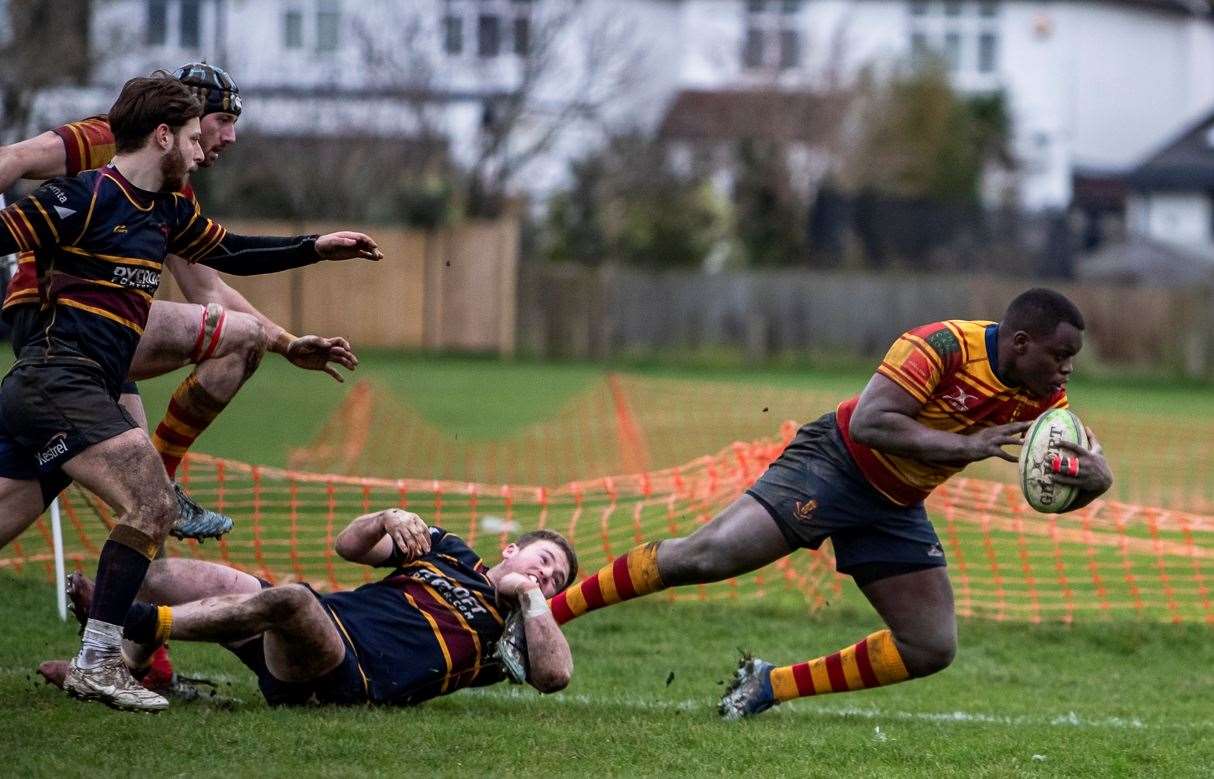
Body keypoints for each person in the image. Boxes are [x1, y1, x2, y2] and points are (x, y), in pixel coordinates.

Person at [533, 288, 1113, 719]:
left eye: (1072, 359)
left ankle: (767, 685)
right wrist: (968, 445)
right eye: (1061, 354)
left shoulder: (1045, 400)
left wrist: (1095, 478)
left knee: (930, 646)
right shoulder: (940, 344)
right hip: (834, 464)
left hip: (895, 503)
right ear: (1020, 344)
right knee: (706, 557)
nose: (1068, 369)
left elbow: (1053, 489)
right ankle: (541, 617)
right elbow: (869, 422)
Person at [0, 73, 382, 712]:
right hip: (53, 378)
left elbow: (230, 253)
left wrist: (317, 247)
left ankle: (105, 653)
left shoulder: (170, 211)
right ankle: (99, 661)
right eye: (195, 135)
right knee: (151, 505)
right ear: (162, 135)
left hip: (75, 387)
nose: (207, 147)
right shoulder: (83, 195)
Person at [0, 62, 359, 550]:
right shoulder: (108, 138)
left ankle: (155, 519)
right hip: (51, 318)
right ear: (178, 121)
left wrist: (288, 343)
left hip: (102, 338)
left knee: (61, 482)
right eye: (222, 121)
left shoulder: (172, 193)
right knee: (141, 485)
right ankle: (159, 502)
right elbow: (16, 157)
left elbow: (210, 286)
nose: (230, 137)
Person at [40, 508, 578, 706]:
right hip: (311, 630)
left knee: (292, 599)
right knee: (168, 574)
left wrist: (531, 599)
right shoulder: (452, 551)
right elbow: (349, 547)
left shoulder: (515, 631)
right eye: (546, 559)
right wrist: (385, 518)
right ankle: (126, 670)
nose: (548, 574)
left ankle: (130, 625)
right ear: (513, 547)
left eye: (556, 580)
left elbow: (554, 677)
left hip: (346, 676)